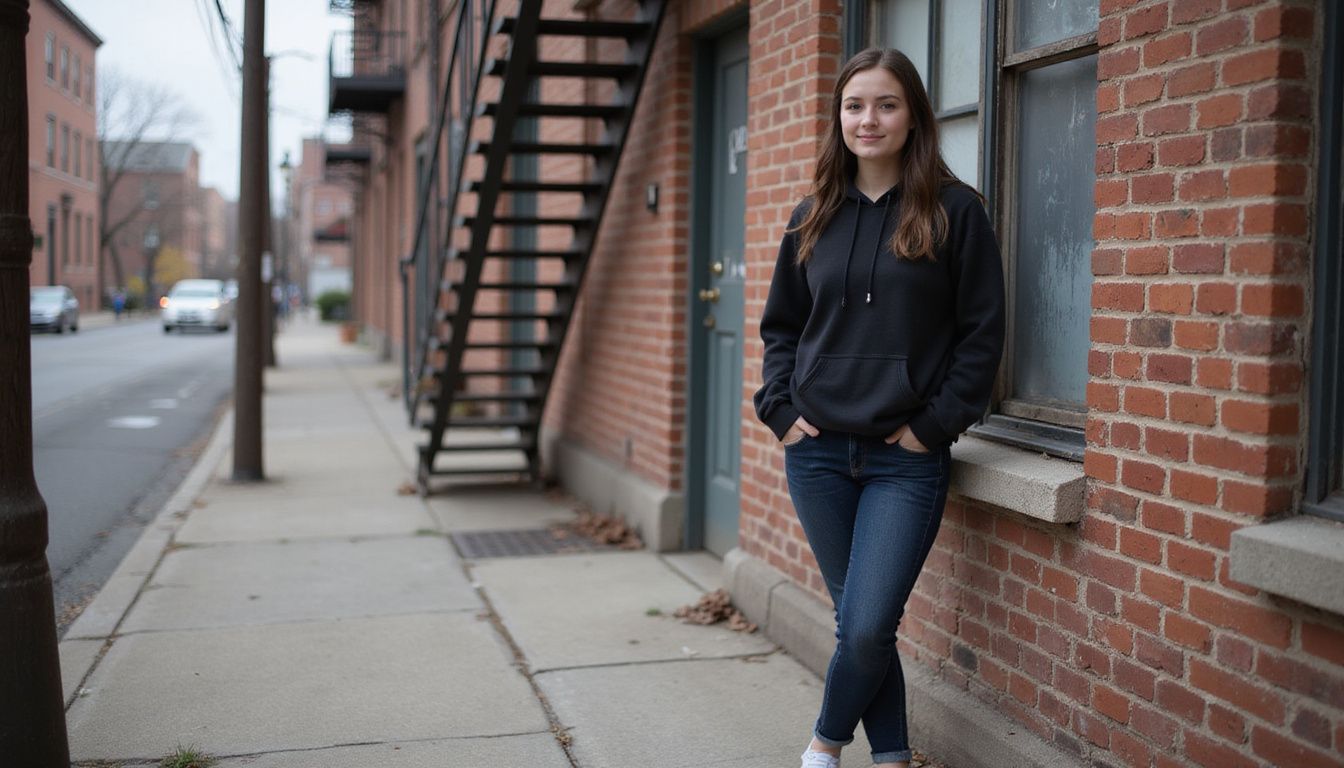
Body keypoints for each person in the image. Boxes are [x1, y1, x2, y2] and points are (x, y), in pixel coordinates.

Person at [753, 48, 1005, 768]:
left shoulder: (956, 212)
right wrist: (779, 410)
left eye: (887, 104)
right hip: (819, 455)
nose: (869, 119)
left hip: (904, 460)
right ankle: (892, 756)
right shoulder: (812, 217)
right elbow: (782, 329)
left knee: (864, 625)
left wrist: (932, 427)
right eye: (855, 105)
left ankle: (823, 745)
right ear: (839, 118)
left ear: (914, 115)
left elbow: (982, 335)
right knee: (863, 625)